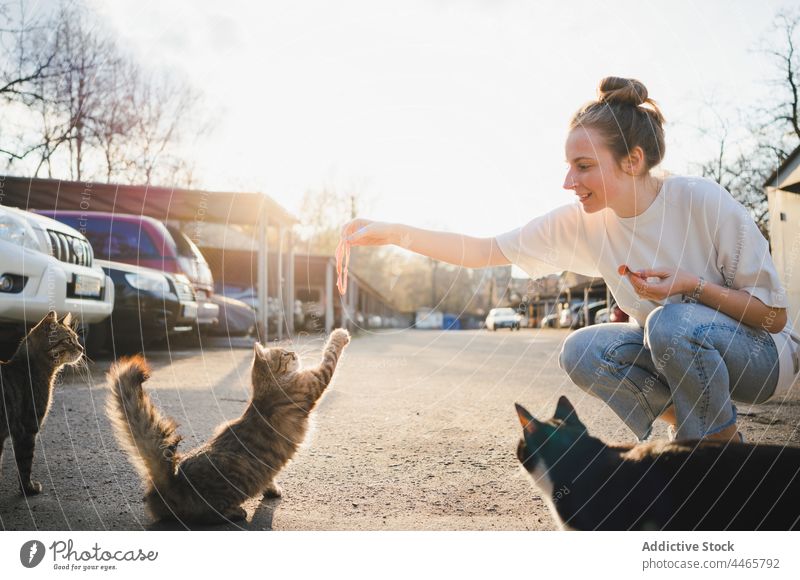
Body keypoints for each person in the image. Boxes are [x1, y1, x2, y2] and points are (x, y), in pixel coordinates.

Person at [339, 76, 800, 443]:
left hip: (764, 359)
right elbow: (484, 251)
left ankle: (712, 445)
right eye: (568, 166)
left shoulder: (701, 200)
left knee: (669, 321)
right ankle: (708, 428)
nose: (568, 181)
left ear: (633, 161)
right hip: (685, 353)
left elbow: (775, 317)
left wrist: (691, 287)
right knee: (583, 351)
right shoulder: (585, 221)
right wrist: (396, 234)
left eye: (583, 166)